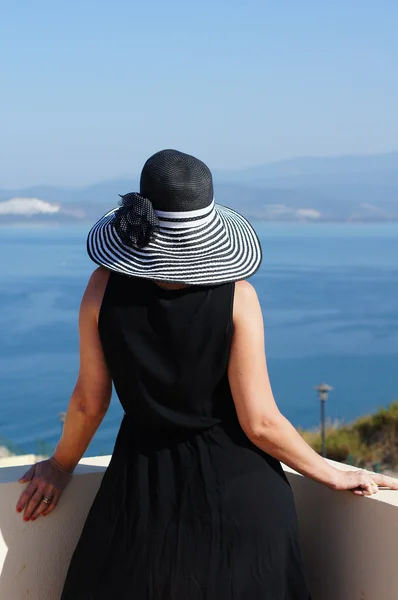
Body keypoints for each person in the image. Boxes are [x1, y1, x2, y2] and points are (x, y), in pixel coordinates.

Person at [16, 149, 398, 600]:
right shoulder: (239, 297)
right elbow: (261, 422)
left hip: (142, 491)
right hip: (241, 495)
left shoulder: (101, 287)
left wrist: (61, 466)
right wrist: (330, 473)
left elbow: (89, 401)